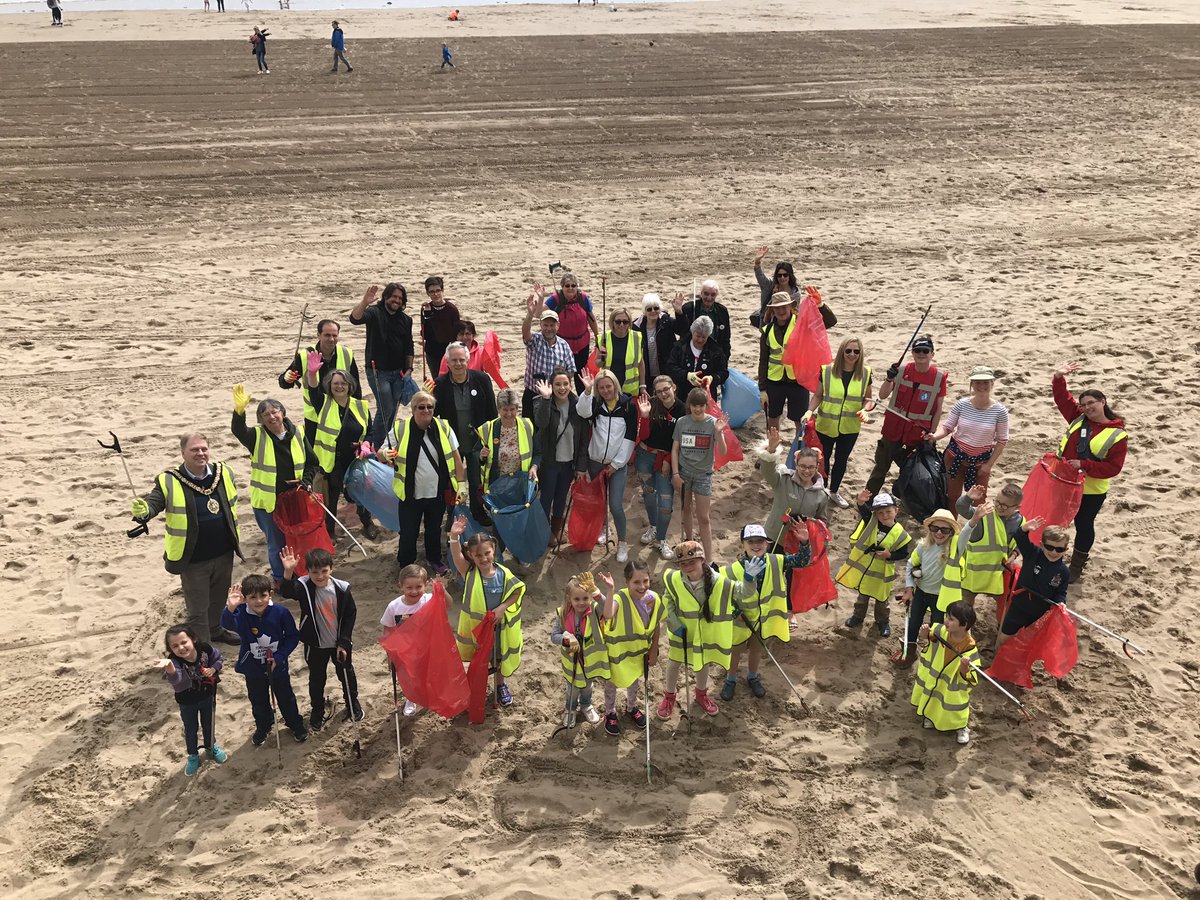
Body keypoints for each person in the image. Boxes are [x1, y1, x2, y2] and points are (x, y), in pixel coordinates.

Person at [132, 433, 242, 644]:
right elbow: (153, 504)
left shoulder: (224, 472)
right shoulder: (169, 480)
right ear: (183, 453)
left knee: (218, 599)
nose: (200, 453)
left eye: (203, 449)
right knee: (198, 608)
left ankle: (216, 629)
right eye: (194, 450)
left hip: (224, 552)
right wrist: (144, 511)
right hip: (193, 559)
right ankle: (204, 649)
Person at [1052, 361, 1129, 582]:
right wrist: (1058, 377)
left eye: (1091, 403)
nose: (1087, 408)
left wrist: (1084, 465)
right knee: (1057, 522)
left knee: (1084, 526)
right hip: (1064, 483)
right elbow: (1062, 399)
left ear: (1103, 402)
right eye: (1083, 404)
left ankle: (1076, 566)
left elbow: (1114, 468)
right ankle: (1053, 558)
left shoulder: (1117, 435)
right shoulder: (1078, 418)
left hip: (1091, 490)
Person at [230, 390, 317, 586]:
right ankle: (280, 579)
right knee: (276, 542)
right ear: (261, 420)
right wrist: (239, 412)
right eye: (265, 415)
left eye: (274, 411)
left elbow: (313, 463)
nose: (271, 417)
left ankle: (299, 572)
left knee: (297, 539)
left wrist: (307, 481)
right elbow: (238, 430)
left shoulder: (299, 434)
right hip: (268, 501)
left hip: (296, 498)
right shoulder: (256, 436)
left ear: (283, 413)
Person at [378, 390, 467, 576]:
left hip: (437, 492)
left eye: (429, 407)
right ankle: (406, 564)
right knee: (408, 532)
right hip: (411, 493)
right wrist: (385, 455)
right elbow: (381, 452)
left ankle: (434, 559)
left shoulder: (444, 428)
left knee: (434, 529)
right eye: (421, 407)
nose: (426, 410)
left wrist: (462, 486)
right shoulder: (400, 429)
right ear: (413, 409)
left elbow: (457, 459)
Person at [721, 524, 811, 701]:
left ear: (767, 544)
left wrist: (805, 543)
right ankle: (730, 680)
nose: (756, 545)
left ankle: (752, 677)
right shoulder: (731, 570)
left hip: (763, 620)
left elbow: (802, 561)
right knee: (735, 651)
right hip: (741, 621)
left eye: (760, 541)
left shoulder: (777, 561)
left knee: (756, 650)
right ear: (743, 544)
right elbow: (723, 596)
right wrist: (734, 613)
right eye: (751, 541)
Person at [279, 546, 362, 729]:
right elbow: (286, 592)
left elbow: (350, 614)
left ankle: (352, 702)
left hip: (339, 643)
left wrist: (343, 641)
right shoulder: (304, 586)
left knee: (346, 674)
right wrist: (288, 571)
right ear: (308, 571)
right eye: (314, 572)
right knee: (317, 678)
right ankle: (317, 709)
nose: (320, 576)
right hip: (314, 644)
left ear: (331, 569)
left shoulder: (342, 588)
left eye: (324, 571)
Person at [220, 574, 308, 745]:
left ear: (271, 594)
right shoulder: (241, 614)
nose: (259, 601)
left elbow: (292, 637)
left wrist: (280, 657)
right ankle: (264, 726)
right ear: (245, 599)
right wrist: (230, 608)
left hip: (277, 666)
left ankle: (295, 724)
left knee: (286, 697)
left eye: (263, 596)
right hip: (253, 669)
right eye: (253, 597)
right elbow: (227, 624)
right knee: (258, 701)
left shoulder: (281, 612)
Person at [448, 521, 526, 707]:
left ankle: (500, 685)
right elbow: (456, 555)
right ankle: (476, 688)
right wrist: (454, 537)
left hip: (499, 629)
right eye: (478, 555)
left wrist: (502, 608)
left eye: (487, 553)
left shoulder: (504, 573)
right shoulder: (469, 572)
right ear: (471, 556)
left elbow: (517, 591)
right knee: (478, 660)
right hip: (476, 631)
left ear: (493, 551)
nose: (483, 558)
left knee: (498, 658)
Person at [657, 541, 734, 719]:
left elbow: (730, 595)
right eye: (682, 563)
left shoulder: (716, 580)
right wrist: (674, 623)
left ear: (702, 560)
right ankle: (669, 696)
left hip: (703, 632)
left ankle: (701, 695)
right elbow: (667, 600)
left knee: (702, 663)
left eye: (692, 562)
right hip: (681, 631)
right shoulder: (673, 579)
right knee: (674, 662)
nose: (687, 567)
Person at [864, 334, 947, 497]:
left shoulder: (939, 377)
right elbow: (881, 395)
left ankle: (907, 501)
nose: (921, 354)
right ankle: (867, 498)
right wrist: (889, 379)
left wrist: (933, 433)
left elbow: (938, 409)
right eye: (917, 350)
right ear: (912, 353)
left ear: (932, 354)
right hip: (892, 429)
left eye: (925, 350)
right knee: (880, 468)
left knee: (912, 471)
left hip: (917, 434)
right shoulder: (900, 371)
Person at [305, 364, 378, 540]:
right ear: (329, 385)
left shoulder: (360, 406)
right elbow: (313, 390)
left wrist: (367, 443)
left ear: (350, 386)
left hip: (355, 460)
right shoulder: (323, 403)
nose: (339, 386)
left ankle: (367, 523)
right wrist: (312, 373)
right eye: (335, 383)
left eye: (343, 383)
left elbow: (370, 430)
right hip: (331, 463)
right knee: (331, 499)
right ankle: (330, 531)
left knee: (361, 495)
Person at [925, 366, 1009, 509]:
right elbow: (947, 427)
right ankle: (951, 529)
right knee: (952, 497)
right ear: (971, 384)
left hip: (981, 462)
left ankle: (978, 530)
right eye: (977, 382)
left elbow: (1002, 440)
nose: (981, 386)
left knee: (979, 501)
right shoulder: (962, 404)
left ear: (992, 384)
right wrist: (934, 437)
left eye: (985, 382)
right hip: (955, 457)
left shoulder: (1000, 411)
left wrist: (988, 466)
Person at [577, 368, 638, 563]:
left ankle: (622, 543)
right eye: (601, 387)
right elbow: (582, 412)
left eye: (608, 386)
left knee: (615, 505)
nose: (605, 390)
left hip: (616, 465)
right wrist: (587, 391)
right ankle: (604, 529)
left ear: (615, 385)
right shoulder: (595, 403)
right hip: (595, 461)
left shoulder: (628, 406)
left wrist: (617, 464)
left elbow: (630, 438)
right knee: (599, 502)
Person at [433, 342, 497, 524]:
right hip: (453, 444)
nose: (458, 364)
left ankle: (478, 512)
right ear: (447, 362)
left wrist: (490, 439)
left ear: (468, 360)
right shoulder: (440, 384)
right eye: (454, 360)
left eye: (462, 360)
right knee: (453, 481)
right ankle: (453, 512)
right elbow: (434, 416)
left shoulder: (482, 379)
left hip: (477, 442)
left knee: (477, 480)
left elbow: (492, 411)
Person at [835, 491, 914, 637]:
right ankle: (857, 617)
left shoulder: (902, 534)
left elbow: (903, 554)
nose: (884, 515)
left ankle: (883, 622)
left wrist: (889, 555)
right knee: (862, 597)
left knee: (882, 601)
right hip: (866, 572)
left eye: (888, 511)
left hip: (882, 574)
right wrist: (860, 502)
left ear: (896, 511)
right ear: (876, 514)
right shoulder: (871, 521)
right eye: (880, 512)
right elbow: (864, 512)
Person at [151, 625, 227, 776]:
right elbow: (177, 681)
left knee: (209, 724)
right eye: (175, 646)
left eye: (184, 642)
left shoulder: (204, 649)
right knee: (191, 729)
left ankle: (211, 747)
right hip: (187, 702)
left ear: (193, 639)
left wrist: (213, 669)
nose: (181, 648)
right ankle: (193, 755)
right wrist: (170, 668)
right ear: (171, 650)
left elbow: (218, 658)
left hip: (207, 695)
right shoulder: (174, 661)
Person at [349, 283, 416, 447]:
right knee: (385, 408)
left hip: (399, 372)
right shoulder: (374, 312)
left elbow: (409, 345)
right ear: (386, 297)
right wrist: (365, 301)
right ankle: (375, 444)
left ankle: (386, 441)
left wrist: (409, 369)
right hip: (378, 371)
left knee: (393, 409)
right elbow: (354, 318)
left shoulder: (406, 320)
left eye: (400, 298)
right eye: (394, 296)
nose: (397, 300)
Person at [809, 336, 873, 508]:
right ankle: (821, 490)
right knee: (823, 459)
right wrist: (809, 411)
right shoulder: (827, 370)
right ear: (842, 351)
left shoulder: (866, 373)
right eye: (848, 351)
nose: (852, 354)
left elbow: (868, 399)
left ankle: (834, 491)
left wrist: (865, 409)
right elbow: (818, 395)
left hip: (850, 427)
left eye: (856, 351)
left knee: (841, 460)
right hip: (826, 424)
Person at [894, 509, 961, 668]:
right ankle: (909, 653)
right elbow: (910, 564)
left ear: (951, 532)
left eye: (945, 529)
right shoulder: (923, 547)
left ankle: (932, 654)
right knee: (913, 622)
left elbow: (967, 534)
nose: (939, 533)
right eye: (934, 528)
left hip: (941, 597)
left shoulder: (954, 549)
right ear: (929, 529)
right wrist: (909, 589)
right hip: (921, 592)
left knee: (936, 627)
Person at [279, 318, 361, 446]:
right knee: (313, 452)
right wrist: (287, 377)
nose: (331, 339)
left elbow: (355, 386)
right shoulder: (306, 355)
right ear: (318, 335)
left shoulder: (346, 354)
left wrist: (357, 411)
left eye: (334, 335)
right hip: (314, 416)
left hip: (341, 412)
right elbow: (285, 382)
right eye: (327, 335)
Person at [602, 561, 662, 735]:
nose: (642, 586)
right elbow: (608, 614)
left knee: (634, 681)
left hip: (639, 652)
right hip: (618, 653)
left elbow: (655, 624)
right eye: (636, 582)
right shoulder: (620, 598)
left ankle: (631, 707)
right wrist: (610, 591)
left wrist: (654, 648)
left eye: (645, 581)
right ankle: (610, 712)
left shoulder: (653, 599)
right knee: (612, 683)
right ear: (627, 582)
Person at [551, 572, 616, 728]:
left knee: (587, 686)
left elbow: (607, 610)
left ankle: (586, 705)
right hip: (572, 662)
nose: (581, 603)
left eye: (585, 598)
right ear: (569, 599)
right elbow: (554, 636)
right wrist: (566, 639)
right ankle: (570, 709)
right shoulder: (562, 613)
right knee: (572, 689)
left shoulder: (595, 610)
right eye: (577, 599)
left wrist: (598, 593)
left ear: (590, 598)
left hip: (590, 662)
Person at [911, 600, 980, 745]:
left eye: (951, 619)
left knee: (955, 706)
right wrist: (924, 633)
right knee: (934, 698)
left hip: (953, 686)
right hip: (936, 677)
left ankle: (961, 727)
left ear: (964, 625)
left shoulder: (970, 648)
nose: (946, 621)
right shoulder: (940, 631)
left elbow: (972, 676)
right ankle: (930, 716)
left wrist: (964, 667)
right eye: (947, 616)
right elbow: (929, 639)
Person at [995, 518, 1070, 650]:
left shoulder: (1063, 571)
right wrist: (1024, 529)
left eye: (1059, 549)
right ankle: (997, 662)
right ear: (1042, 544)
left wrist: (1061, 602)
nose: (1054, 552)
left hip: (1039, 612)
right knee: (1004, 639)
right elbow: (1020, 538)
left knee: (1027, 644)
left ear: (1066, 549)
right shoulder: (1032, 553)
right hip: (1019, 605)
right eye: (1050, 547)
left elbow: (1060, 592)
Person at [672, 387, 728, 564]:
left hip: (704, 475)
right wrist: (675, 473)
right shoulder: (682, 422)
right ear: (690, 405)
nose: (698, 409)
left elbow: (723, 451)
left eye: (701, 406)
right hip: (684, 472)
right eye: (694, 406)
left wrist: (719, 433)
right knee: (686, 509)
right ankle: (689, 547)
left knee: (704, 517)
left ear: (707, 406)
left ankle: (709, 560)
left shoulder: (713, 423)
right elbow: (675, 449)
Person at [634, 375, 685, 559]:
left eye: (666, 389)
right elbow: (644, 436)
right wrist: (645, 416)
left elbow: (677, 442)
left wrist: (666, 461)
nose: (664, 393)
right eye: (659, 391)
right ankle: (653, 528)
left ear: (674, 387)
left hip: (668, 460)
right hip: (645, 456)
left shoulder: (682, 409)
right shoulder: (650, 404)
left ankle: (662, 539)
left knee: (665, 504)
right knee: (648, 493)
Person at [532, 368, 586, 542]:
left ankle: (556, 530)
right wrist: (546, 399)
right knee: (546, 498)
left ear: (570, 385)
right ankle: (544, 531)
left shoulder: (577, 404)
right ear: (551, 386)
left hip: (569, 462)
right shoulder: (541, 401)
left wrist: (580, 466)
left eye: (565, 384)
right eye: (557, 384)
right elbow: (541, 422)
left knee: (561, 498)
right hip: (550, 462)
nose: (562, 388)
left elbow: (584, 438)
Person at [956, 482, 1023, 610]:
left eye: (1004, 505)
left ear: (1017, 507)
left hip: (998, 574)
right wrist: (968, 498)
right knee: (965, 607)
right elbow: (962, 508)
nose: (999, 507)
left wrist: (1014, 554)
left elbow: (1020, 543)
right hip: (973, 573)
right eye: (997, 501)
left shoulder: (1020, 522)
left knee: (1004, 606)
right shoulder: (985, 512)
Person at [379, 564, 433, 716]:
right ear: (400, 586)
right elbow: (388, 629)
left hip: (427, 646)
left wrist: (441, 589)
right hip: (406, 650)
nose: (414, 591)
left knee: (427, 673)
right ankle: (411, 698)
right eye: (409, 587)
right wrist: (390, 654)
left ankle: (428, 695)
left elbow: (447, 605)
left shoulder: (430, 600)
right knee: (409, 676)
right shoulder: (394, 607)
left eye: (418, 586)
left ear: (426, 585)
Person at [751, 244, 838, 329]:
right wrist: (757, 261)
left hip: (788, 327)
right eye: (779, 275)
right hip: (767, 326)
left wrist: (819, 305)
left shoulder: (795, 292)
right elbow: (759, 275)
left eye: (785, 275)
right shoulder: (769, 286)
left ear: (790, 276)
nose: (782, 278)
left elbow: (828, 322)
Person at [758, 438, 830, 540]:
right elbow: (767, 472)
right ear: (796, 464)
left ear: (817, 467)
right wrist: (770, 451)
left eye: (811, 467)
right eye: (802, 466)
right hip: (773, 537)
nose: (806, 471)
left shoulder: (822, 495)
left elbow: (821, 521)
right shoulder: (784, 479)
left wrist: (809, 527)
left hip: (798, 544)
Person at [521, 288, 576, 417]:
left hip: (555, 397)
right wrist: (530, 314)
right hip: (533, 394)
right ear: (541, 325)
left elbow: (571, 371)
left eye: (552, 325)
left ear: (558, 326)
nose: (549, 328)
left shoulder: (564, 346)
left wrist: (561, 388)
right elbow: (525, 333)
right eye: (545, 325)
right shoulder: (535, 340)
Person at [543, 273, 599, 390]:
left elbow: (591, 318)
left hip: (582, 344)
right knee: (563, 375)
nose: (570, 288)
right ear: (562, 287)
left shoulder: (583, 298)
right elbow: (540, 313)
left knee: (581, 375)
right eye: (567, 286)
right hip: (562, 345)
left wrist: (597, 334)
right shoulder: (555, 299)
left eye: (573, 285)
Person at [666, 315, 729, 401]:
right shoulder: (680, 347)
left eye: (704, 337)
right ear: (692, 332)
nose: (700, 340)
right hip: (682, 395)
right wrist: (687, 375)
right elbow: (670, 367)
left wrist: (712, 378)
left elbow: (724, 373)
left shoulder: (716, 351)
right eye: (698, 336)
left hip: (706, 396)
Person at [672, 280, 730, 356]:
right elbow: (681, 331)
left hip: (714, 354)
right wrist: (679, 313)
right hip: (690, 354)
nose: (709, 298)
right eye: (706, 294)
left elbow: (726, 338)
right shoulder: (689, 308)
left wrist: (724, 358)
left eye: (713, 295)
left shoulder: (722, 311)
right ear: (701, 293)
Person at [596, 307, 645, 397]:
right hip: (609, 388)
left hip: (630, 390)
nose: (621, 325)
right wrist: (603, 359)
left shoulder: (637, 337)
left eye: (625, 322)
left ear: (629, 322)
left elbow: (640, 363)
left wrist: (642, 386)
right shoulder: (604, 338)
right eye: (618, 322)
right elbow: (598, 364)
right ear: (612, 322)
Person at [632, 293, 678, 388]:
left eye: (656, 308)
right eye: (649, 309)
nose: (653, 311)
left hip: (666, 371)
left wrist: (679, 312)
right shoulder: (636, 326)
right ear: (644, 311)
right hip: (646, 374)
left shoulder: (666, 322)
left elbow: (683, 330)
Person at [420, 277, 462, 376]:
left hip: (449, 351)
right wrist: (428, 315)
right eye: (432, 292)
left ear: (442, 290)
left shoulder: (452, 309)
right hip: (432, 352)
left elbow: (457, 332)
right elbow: (425, 334)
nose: (435, 294)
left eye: (438, 290)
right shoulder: (426, 309)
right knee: (437, 380)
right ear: (428, 293)